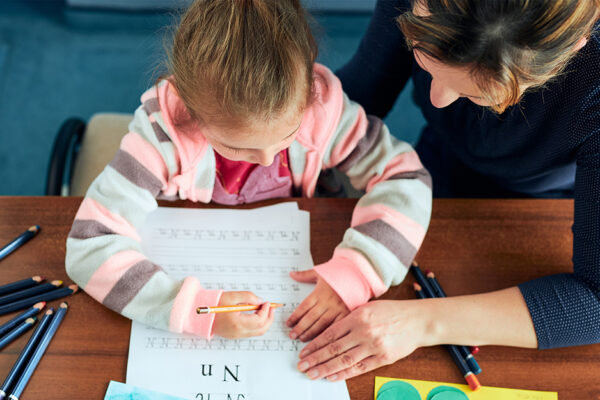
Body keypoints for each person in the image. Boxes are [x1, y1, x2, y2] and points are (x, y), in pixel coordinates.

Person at [64, 0, 432, 340]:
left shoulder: (322, 112)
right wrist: (200, 310)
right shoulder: (162, 134)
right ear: (191, 110)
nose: (269, 161)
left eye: (286, 138)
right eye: (238, 147)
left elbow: (406, 177)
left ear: (308, 92)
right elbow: (90, 246)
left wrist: (357, 272)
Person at [296, 0, 600, 382]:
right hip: (430, 172)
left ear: (572, 50)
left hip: (545, 209)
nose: (436, 98)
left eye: (477, 94)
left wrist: (422, 323)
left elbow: (595, 303)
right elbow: (359, 96)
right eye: (425, 62)